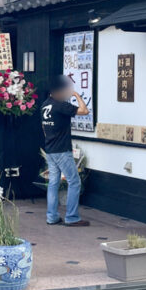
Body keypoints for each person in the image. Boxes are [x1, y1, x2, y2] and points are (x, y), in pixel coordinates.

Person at [41, 75, 90, 227]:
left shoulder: (45, 105)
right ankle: (72, 217)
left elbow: (44, 129)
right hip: (62, 150)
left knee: (53, 183)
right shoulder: (60, 105)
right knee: (74, 181)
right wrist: (75, 95)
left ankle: (52, 217)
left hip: (50, 149)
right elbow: (84, 110)